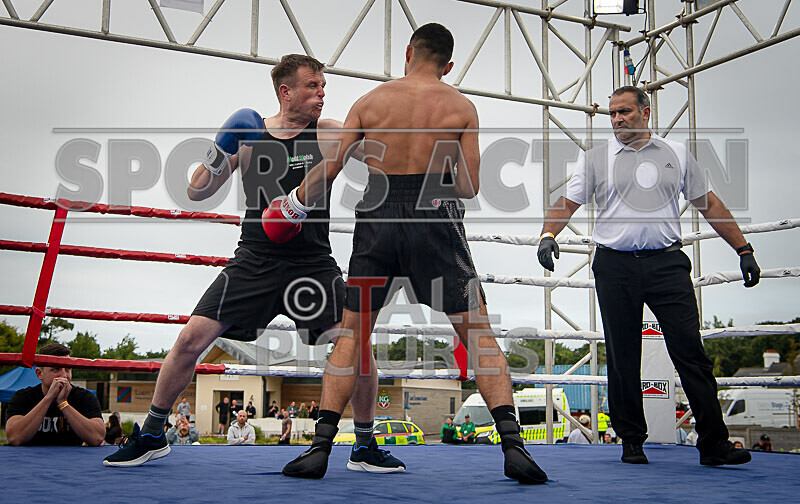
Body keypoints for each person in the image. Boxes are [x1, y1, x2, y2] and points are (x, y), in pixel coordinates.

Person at [276, 23, 546, 484]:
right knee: (478, 335)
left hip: (378, 216)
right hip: (435, 215)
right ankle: (515, 449)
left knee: (353, 336)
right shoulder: (460, 106)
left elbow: (333, 168)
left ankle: (320, 448)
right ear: (449, 64)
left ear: (408, 52)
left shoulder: (370, 102)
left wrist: (292, 203)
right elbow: (469, 185)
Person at [102, 54, 372, 468]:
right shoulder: (248, 134)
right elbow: (196, 192)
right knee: (190, 340)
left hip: (312, 262)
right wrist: (218, 146)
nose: (321, 93)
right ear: (286, 91)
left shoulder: (330, 132)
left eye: (323, 86)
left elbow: (382, 148)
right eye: (312, 86)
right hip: (255, 260)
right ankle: (154, 432)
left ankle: (365, 443)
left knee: (355, 343)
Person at [537, 85, 759, 467]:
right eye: (612, 114)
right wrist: (547, 235)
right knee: (623, 355)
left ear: (646, 111)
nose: (617, 119)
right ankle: (631, 441)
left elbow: (710, 204)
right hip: (615, 265)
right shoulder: (596, 159)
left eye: (624, 111)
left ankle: (713, 444)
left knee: (691, 351)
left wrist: (744, 249)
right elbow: (566, 202)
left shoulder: (676, 154)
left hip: (667, 264)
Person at [7, 343, 104, 446]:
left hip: (71, 460)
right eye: (55, 369)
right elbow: (14, 437)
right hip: (30, 459)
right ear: (40, 374)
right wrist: (48, 398)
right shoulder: (24, 397)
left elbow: (97, 438)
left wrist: (63, 403)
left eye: (67, 369)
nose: (63, 375)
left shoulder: (84, 397)